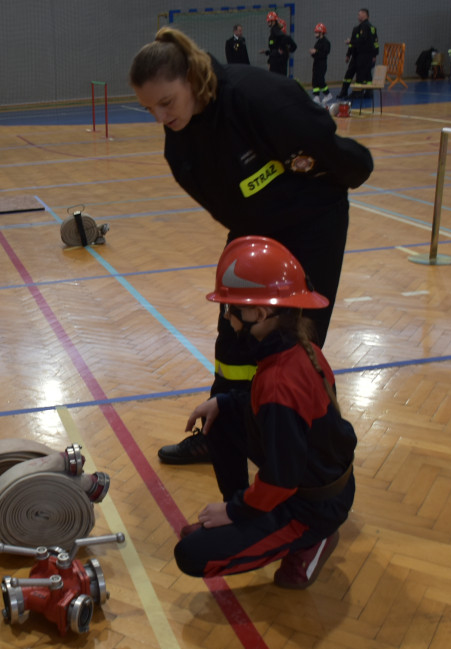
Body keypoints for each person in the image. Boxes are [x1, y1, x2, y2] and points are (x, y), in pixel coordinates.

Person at [129, 27, 373, 464]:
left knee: (298, 335)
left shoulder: (256, 96)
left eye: (166, 102)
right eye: (150, 109)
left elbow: (327, 145)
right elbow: (219, 202)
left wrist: (346, 172)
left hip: (313, 221)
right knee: (235, 328)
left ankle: (305, 437)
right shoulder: (181, 142)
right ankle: (222, 431)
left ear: (190, 76)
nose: (161, 118)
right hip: (253, 226)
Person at [172, 237, 356, 589]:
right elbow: (291, 420)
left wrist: (235, 511)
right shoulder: (298, 347)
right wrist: (224, 402)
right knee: (221, 416)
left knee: (192, 554)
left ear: (259, 313)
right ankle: (249, 519)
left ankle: (313, 538)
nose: (228, 318)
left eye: (231, 309)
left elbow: (281, 479)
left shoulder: (278, 382)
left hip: (313, 507)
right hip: (319, 478)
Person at [338, 8, 379, 99]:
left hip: (364, 55)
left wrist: (351, 41)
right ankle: (346, 91)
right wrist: (348, 54)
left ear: (365, 15)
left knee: (362, 74)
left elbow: (368, 41)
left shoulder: (367, 27)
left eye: (360, 15)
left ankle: (358, 93)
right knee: (355, 74)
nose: (358, 16)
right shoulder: (357, 28)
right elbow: (374, 43)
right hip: (357, 55)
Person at [310, 23, 333, 105]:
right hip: (316, 63)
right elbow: (315, 54)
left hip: (322, 64)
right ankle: (316, 96)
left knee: (320, 79)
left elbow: (324, 54)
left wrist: (316, 51)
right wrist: (313, 53)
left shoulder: (326, 43)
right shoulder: (318, 42)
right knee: (315, 80)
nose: (315, 34)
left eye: (317, 32)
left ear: (321, 33)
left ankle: (327, 94)